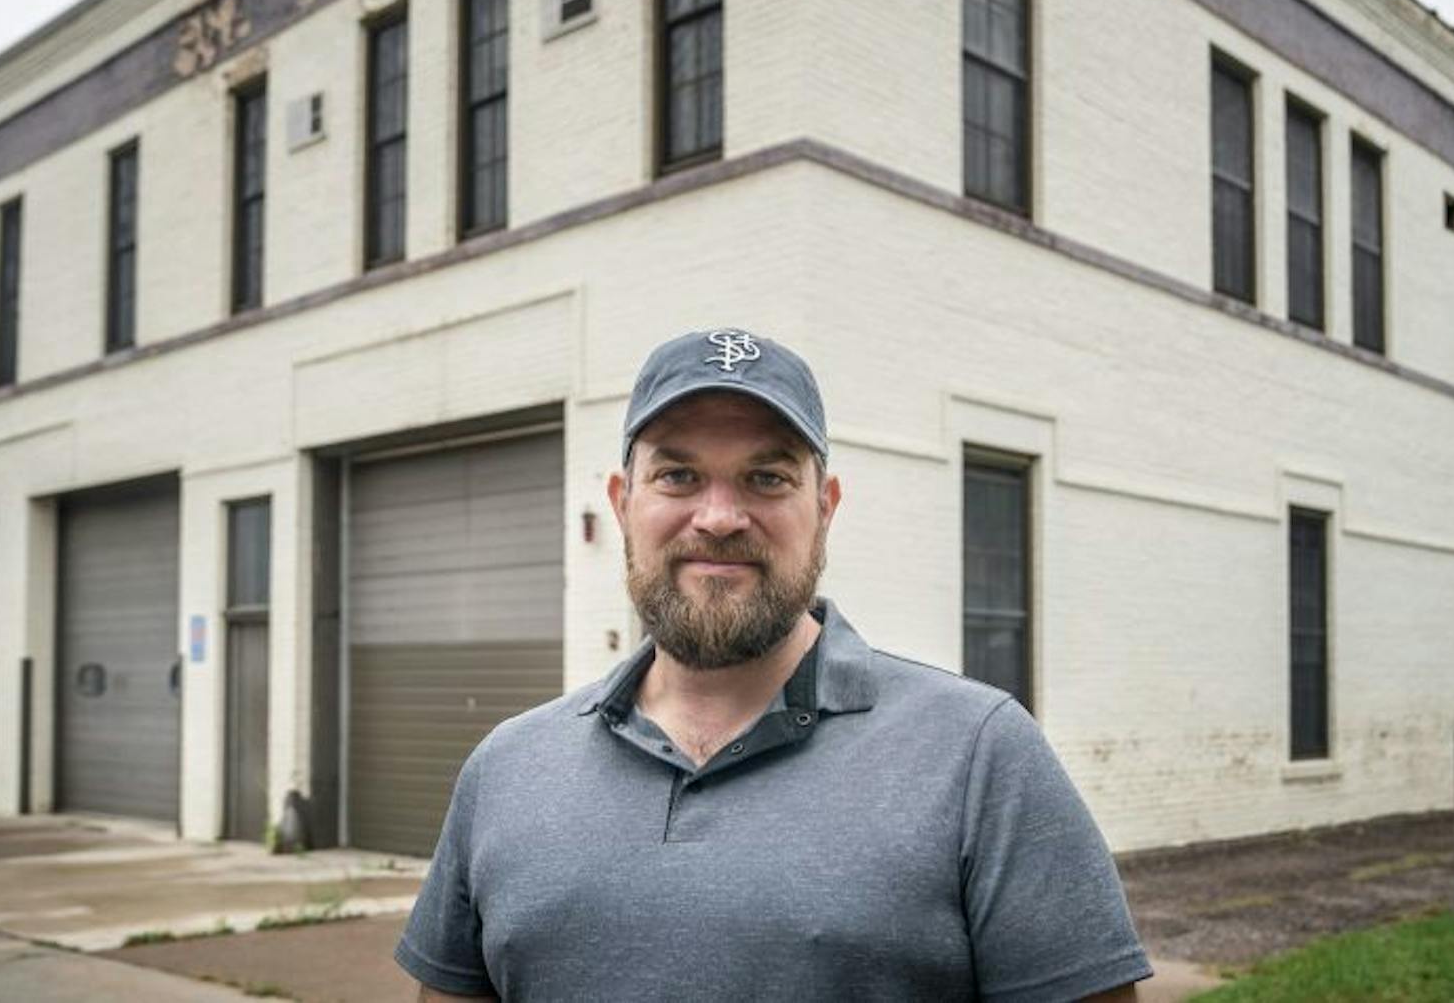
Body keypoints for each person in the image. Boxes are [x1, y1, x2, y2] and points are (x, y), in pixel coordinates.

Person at [396, 327, 1152, 1001]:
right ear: (623, 502)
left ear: (825, 506)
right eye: (679, 475)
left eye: (767, 478)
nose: (719, 517)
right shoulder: (507, 768)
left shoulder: (981, 755)